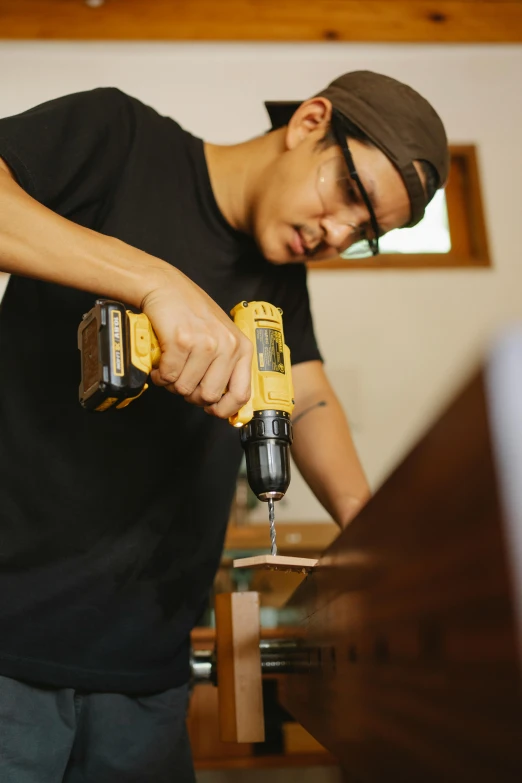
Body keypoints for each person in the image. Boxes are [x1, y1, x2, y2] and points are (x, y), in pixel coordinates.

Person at [0, 70, 449, 781]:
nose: (335, 233)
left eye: (364, 234)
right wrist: (156, 280)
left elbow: (304, 394)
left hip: (148, 668)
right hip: (10, 644)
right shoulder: (119, 139)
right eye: (350, 195)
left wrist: (368, 526)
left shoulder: (279, 271)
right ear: (310, 122)